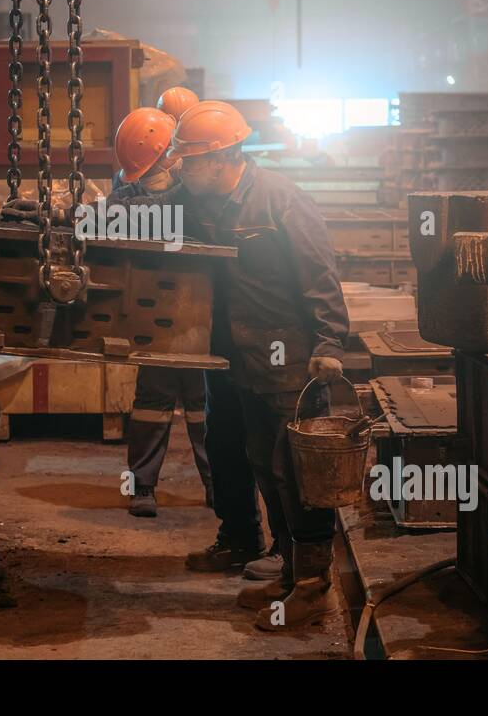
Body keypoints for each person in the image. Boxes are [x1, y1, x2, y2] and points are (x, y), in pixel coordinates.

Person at [147, 100, 352, 631]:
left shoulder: (280, 200)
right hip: (243, 360)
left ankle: (313, 587)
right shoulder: (205, 202)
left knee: (300, 473)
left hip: (292, 362)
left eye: (189, 162)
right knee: (265, 464)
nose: (183, 171)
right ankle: (288, 573)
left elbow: (319, 273)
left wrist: (330, 340)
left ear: (220, 157)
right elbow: (149, 208)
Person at [109, 106, 212, 518]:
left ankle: (218, 483)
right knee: (152, 402)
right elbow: (120, 213)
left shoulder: (196, 189)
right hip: (156, 311)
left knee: (205, 406)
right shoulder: (131, 189)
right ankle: (142, 488)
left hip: (199, 315)